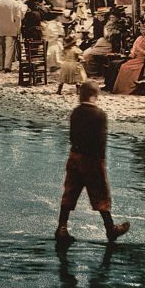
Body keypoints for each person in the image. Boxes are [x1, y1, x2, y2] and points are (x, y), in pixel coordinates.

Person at [54, 81, 130, 244]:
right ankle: (110, 229)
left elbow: (72, 136)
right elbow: (100, 140)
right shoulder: (100, 115)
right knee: (100, 194)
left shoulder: (75, 112)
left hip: (75, 156)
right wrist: (101, 160)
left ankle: (62, 228)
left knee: (70, 192)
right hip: (93, 159)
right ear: (95, 96)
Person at [111, 20, 145, 94]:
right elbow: (135, 47)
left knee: (125, 67)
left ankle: (130, 88)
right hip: (137, 57)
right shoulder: (143, 37)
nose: (144, 31)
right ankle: (120, 88)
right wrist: (134, 52)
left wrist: (140, 49)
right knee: (123, 66)